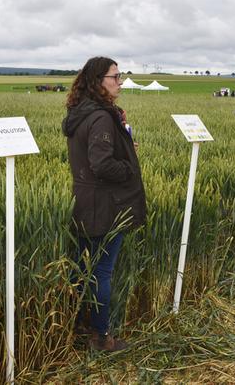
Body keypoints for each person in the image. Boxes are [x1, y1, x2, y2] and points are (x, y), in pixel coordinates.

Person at [62, 56, 146, 352]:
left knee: (80, 271)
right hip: (105, 207)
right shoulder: (100, 117)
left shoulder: (81, 113)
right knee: (102, 272)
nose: (119, 81)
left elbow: (93, 157)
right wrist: (129, 165)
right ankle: (101, 337)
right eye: (115, 76)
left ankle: (71, 330)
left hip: (86, 202)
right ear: (99, 81)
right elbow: (101, 164)